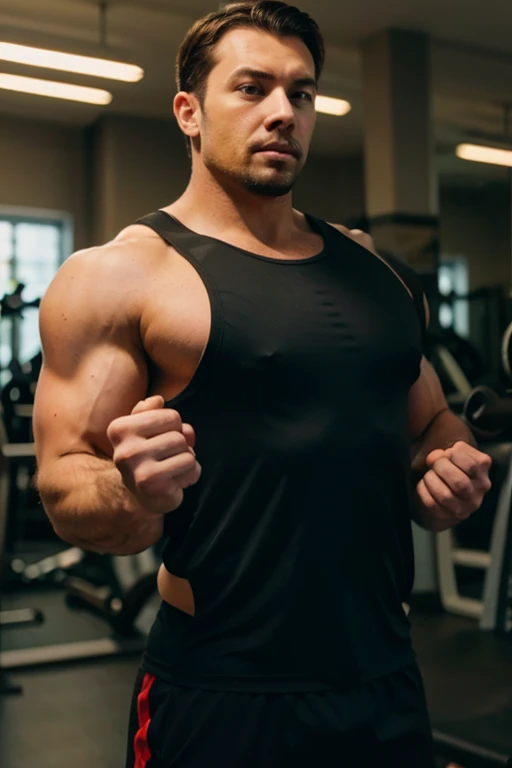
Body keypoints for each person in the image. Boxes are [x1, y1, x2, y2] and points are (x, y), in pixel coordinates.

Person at [33, 2, 492, 766]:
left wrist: (451, 465)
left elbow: (433, 419)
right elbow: (62, 485)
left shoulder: (377, 272)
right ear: (189, 111)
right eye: (252, 88)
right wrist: (134, 492)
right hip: (223, 693)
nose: (283, 112)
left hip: (385, 679)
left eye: (301, 92)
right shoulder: (119, 276)